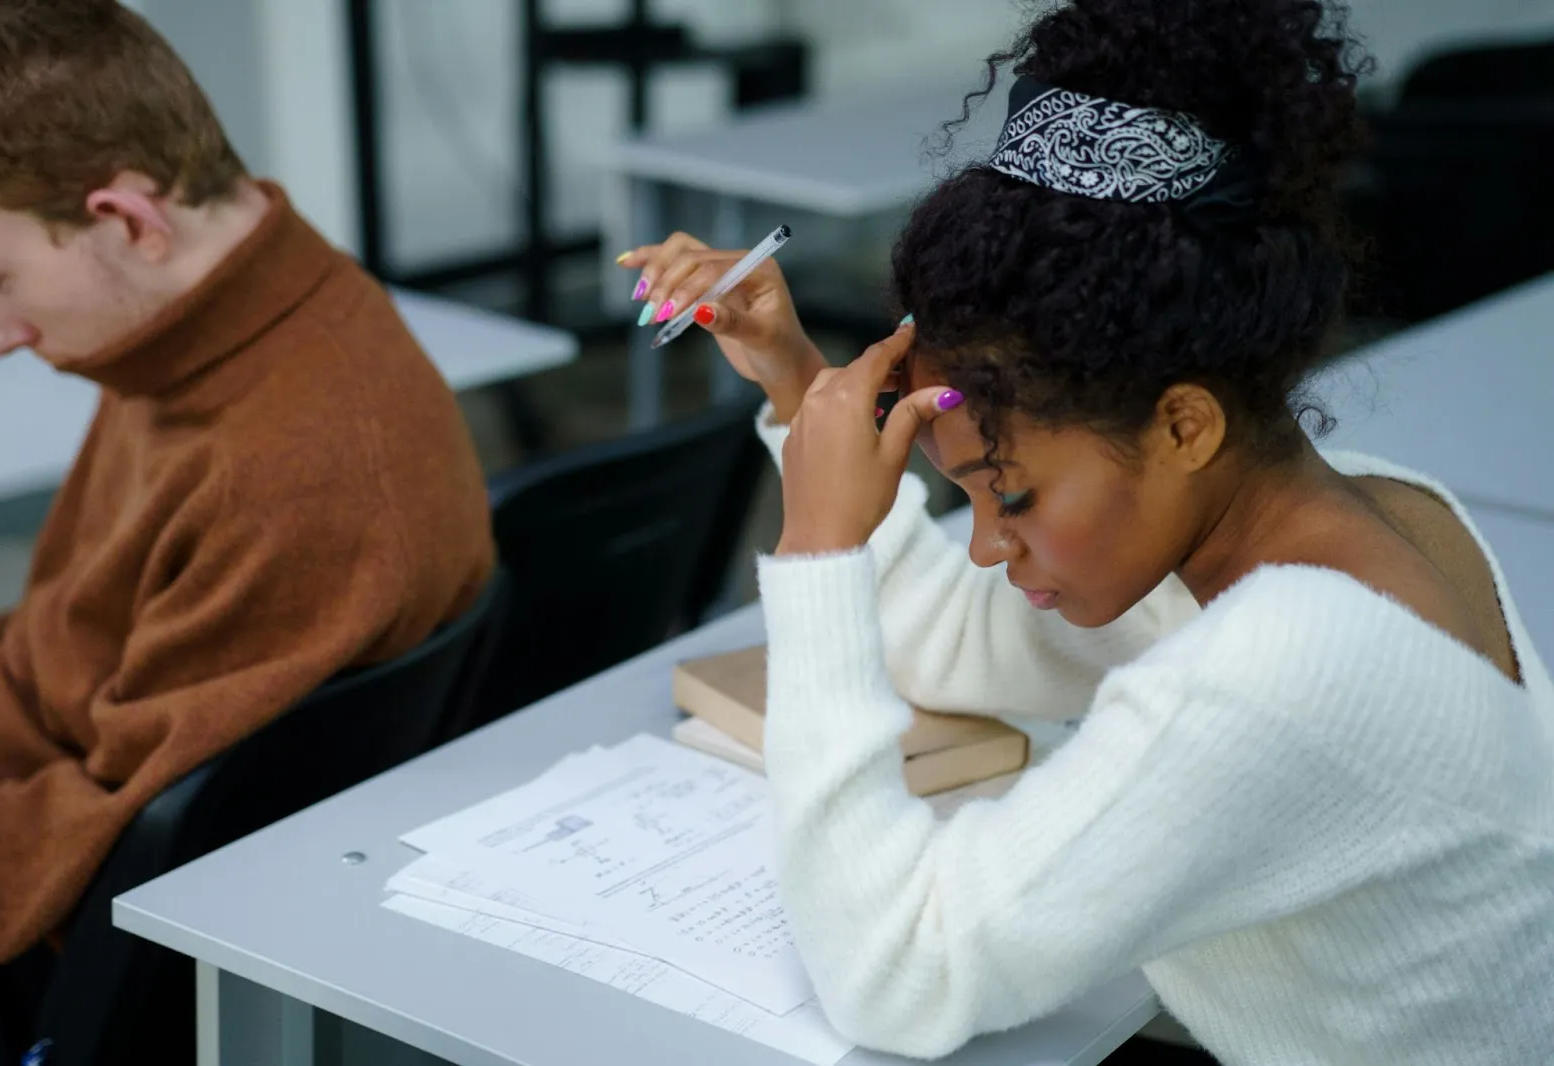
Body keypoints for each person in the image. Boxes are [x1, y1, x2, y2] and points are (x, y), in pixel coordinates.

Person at [619, 1, 1554, 1062]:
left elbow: (894, 973)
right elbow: (951, 646)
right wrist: (799, 385)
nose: (986, 544)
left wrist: (820, 549)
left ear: (1182, 422)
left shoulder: (1280, 664)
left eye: (1007, 495)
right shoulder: (1371, 510)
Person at [0, 1, 493, 1058]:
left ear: (127, 220)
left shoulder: (303, 472)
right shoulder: (198, 326)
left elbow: (121, 838)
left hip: (42, 912)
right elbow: (69, 640)